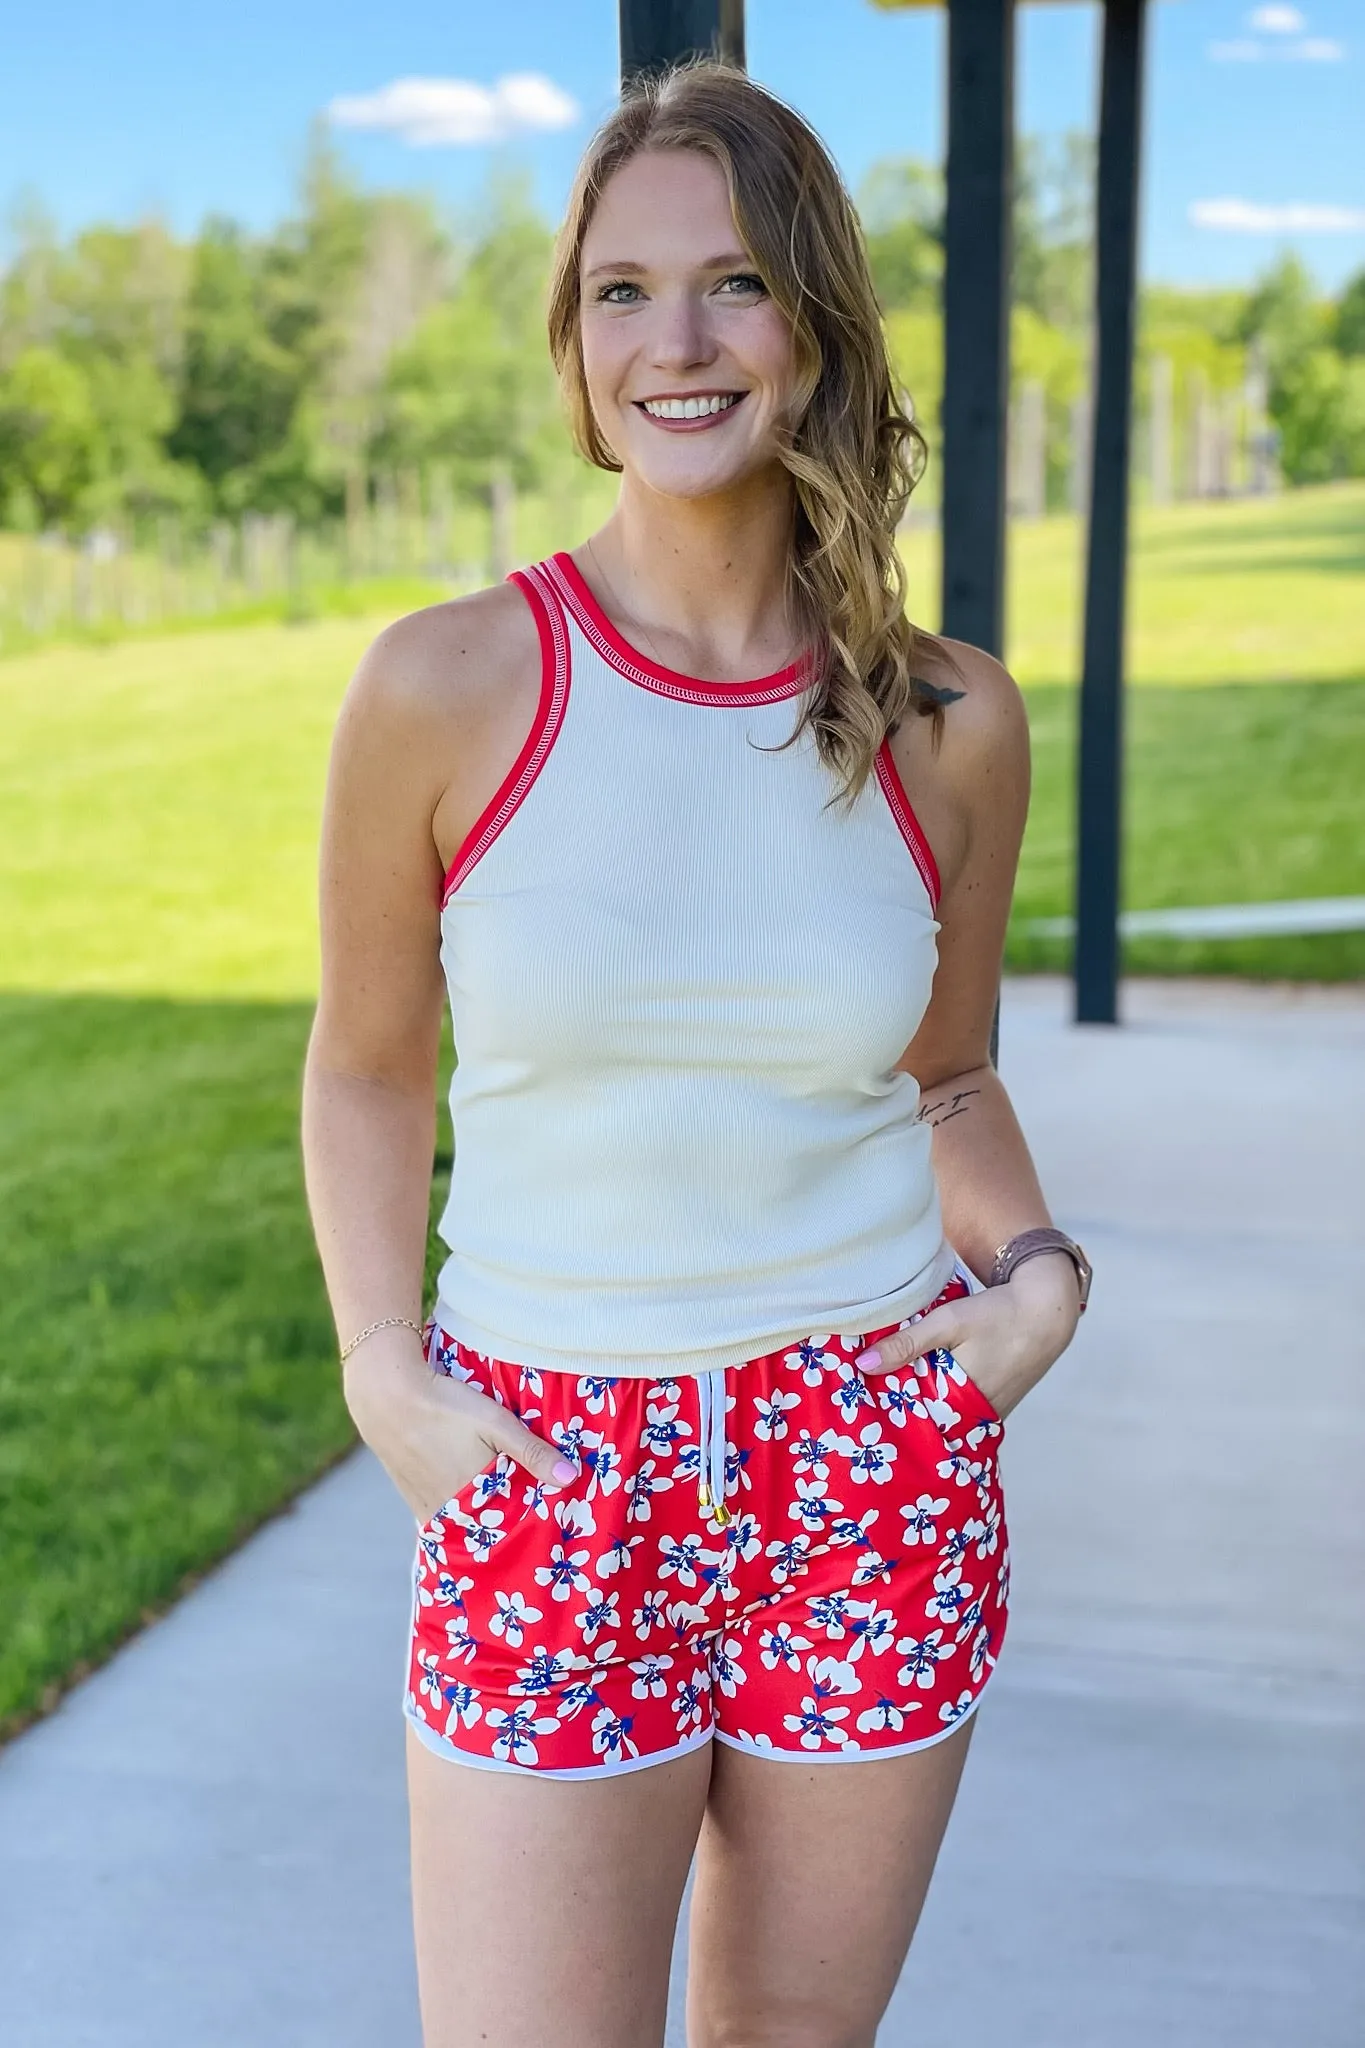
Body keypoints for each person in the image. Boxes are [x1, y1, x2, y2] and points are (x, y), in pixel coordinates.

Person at [302, 59, 1089, 2048]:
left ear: (811, 324)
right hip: (554, 1469)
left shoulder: (948, 720)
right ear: (572, 342)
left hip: (867, 1453)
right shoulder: (447, 683)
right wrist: (381, 1363)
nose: (676, 340)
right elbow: (371, 1064)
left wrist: (1037, 1276)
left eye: (731, 282)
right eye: (620, 291)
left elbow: (952, 1075)